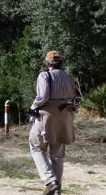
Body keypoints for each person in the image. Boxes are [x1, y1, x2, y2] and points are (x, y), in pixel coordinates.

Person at [29, 50, 77, 195]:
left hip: (46, 118)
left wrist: (32, 107)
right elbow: (74, 100)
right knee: (57, 156)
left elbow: (42, 96)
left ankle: (50, 181)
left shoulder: (44, 75)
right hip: (64, 119)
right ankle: (57, 192)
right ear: (61, 63)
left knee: (36, 146)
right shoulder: (69, 79)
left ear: (47, 63)